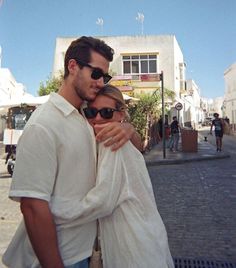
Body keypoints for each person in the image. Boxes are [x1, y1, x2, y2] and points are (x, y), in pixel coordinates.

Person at [2, 36, 141, 268]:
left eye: (105, 77)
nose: (100, 82)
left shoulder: (88, 115)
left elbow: (136, 150)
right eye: (96, 73)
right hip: (64, 258)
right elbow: (33, 208)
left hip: (90, 251)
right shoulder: (43, 125)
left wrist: (128, 128)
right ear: (73, 66)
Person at [50, 85, 175, 268]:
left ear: (121, 113)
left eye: (107, 112)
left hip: (133, 247)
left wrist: (51, 211)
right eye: (91, 112)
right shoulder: (106, 139)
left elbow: (101, 201)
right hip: (144, 239)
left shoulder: (112, 142)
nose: (98, 118)